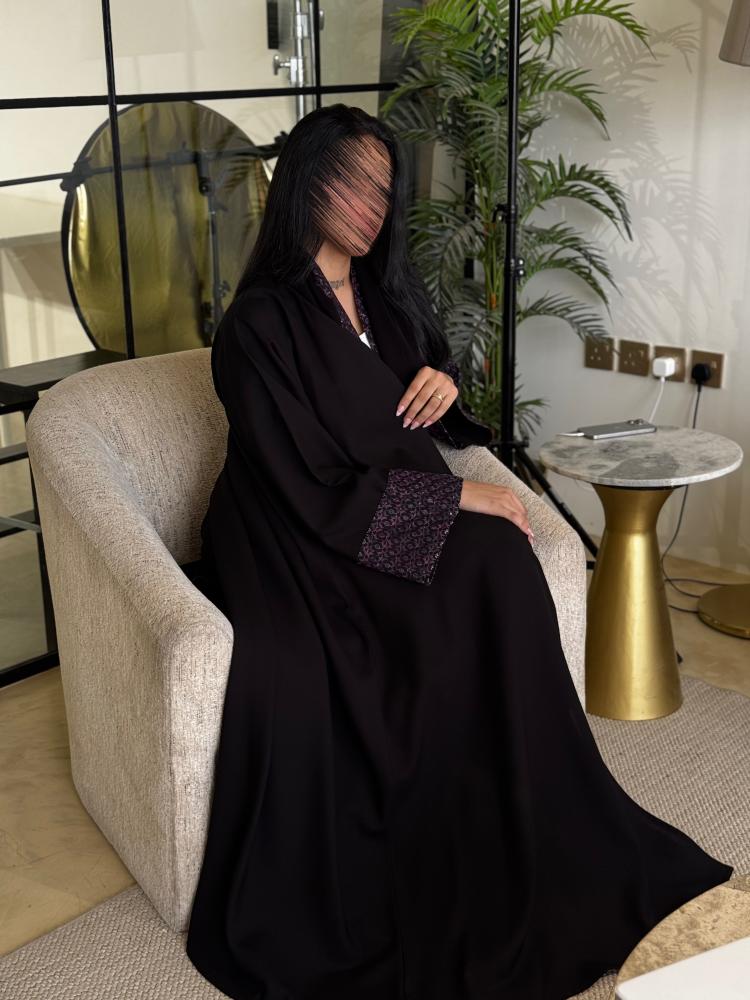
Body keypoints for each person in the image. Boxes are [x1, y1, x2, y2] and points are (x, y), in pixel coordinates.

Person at [184, 104, 733, 1000]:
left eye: (384, 189)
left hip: (377, 506)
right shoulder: (258, 326)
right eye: (354, 184)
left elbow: (426, 408)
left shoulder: (383, 298)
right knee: (484, 560)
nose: (372, 207)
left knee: (501, 565)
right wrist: (459, 497)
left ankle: (532, 805)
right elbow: (306, 480)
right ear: (306, 183)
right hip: (295, 534)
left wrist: (440, 381)